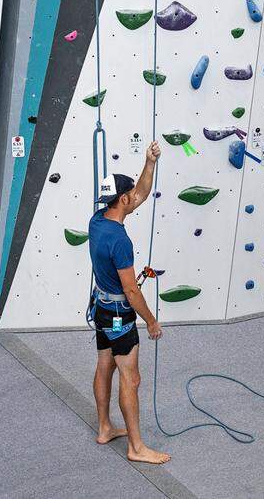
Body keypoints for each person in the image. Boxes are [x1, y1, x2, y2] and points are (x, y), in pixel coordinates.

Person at [87, 141, 170, 465]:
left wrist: (149, 163)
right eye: (129, 196)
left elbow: (139, 194)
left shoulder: (98, 220)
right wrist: (150, 321)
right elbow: (132, 291)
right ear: (122, 199)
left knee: (105, 365)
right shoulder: (120, 240)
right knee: (130, 378)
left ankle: (105, 427)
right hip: (121, 312)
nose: (134, 199)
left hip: (102, 310)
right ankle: (137, 447)